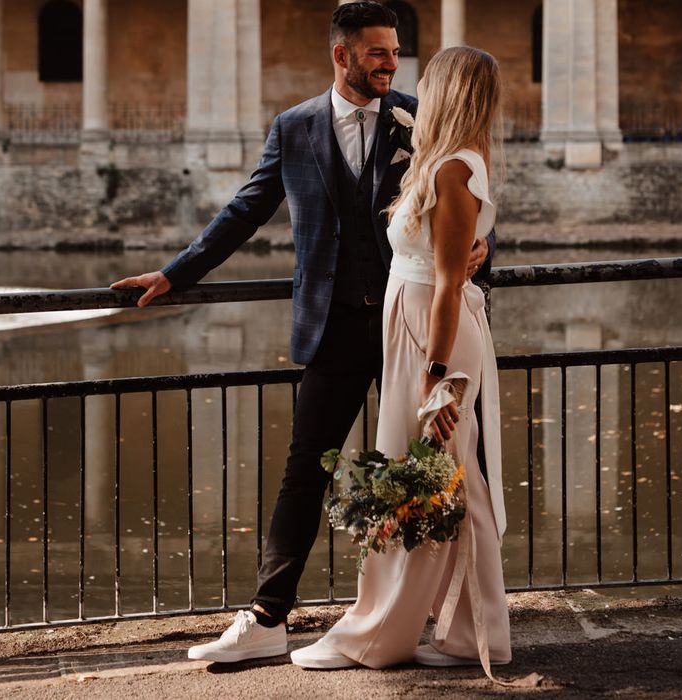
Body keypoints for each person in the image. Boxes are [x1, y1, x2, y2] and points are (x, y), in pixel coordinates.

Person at [111, 2, 491, 663]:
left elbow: (464, 195)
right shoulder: (294, 128)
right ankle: (266, 618)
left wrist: (486, 249)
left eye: (396, 51)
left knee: (445, 471)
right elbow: (244, 210)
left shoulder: (417, 117)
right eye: (378, 51)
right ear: (341, 55)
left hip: (414, 327)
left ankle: (457, 622)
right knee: (303, 473)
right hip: (335, 328)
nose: (390, 62)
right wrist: (175, 274)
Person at [290, 46, 511, 675]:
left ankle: (379, 633)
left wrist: (434, 377)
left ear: (446, 91)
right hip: (413, 323)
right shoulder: (444, 161)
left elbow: (445, 285)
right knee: (447, 483)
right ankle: (467, 634)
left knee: (431, 482)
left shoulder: (452, 170)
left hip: (432, 335)